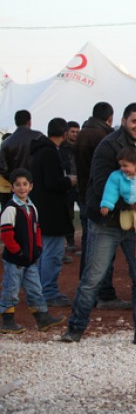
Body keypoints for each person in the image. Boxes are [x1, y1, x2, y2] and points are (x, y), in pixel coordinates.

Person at [61, 103, 136, 349]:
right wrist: (131, 205)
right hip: (106, 223)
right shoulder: (107, 147)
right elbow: (99, 185)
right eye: (135, 122)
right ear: (123, 120)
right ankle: (75, 329)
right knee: (93, 278)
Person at [72, 101, 128, 310]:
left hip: (86, 196)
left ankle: (90, 292)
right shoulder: (104, 139)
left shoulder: (83, 133)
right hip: (101, 199)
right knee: (102, 251)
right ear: (111, 118)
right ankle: (103, 293)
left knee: (90, 247)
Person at [0, 169, 65, 334]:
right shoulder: (10, 209)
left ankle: (43, 319)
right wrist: (17, 252)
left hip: (30, 259)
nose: (21, 188)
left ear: (31, 186)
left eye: (25, 184)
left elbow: (37, 229)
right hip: (15, 260)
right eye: (17, 185)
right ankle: (7, 322)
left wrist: (38, 248)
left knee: (35, 288)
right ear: (12, 187)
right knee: (11, 289)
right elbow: (6, 234)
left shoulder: (32, 207)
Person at [29, 118, 77, 307]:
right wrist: (69, 181)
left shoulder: (40, 151)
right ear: (64, 134)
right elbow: (53, 182)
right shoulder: (50, 153)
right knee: (52, 254)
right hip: (52, 210)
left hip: (42, 208)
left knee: (45, 252)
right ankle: (48, 292)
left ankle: (41, 291)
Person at [0, 110, 43, 183]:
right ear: (29, 122)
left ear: (16, 122)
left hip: (17, 186)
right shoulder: (39, 136)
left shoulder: (6, 143)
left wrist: (14, 180)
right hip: (38, 184)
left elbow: (2, 169)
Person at [60, 121, 80, 254]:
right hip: (67, 185)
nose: (75, 134)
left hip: (80, 185)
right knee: (68, 214)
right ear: (67, 133)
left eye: (77, 132)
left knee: (84, 213)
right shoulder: (61, 148)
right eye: (73, 131)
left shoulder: (81, 146)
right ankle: (70, 241)